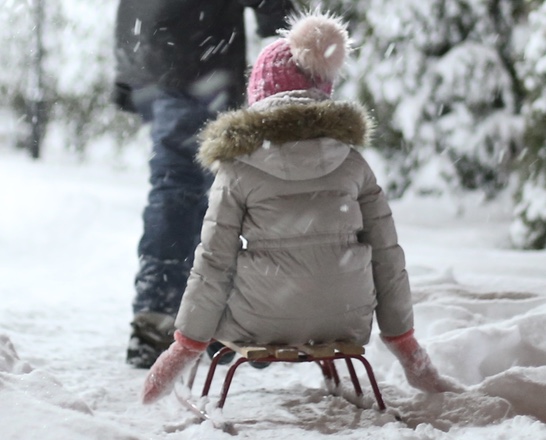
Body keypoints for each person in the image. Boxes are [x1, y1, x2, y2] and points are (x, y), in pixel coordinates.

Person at [141, 11, 463, 404]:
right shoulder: (352, 162)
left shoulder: (237, 169)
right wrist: (405, 345)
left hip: (259, 323)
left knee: (227, 269)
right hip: (345, 320)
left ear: (259, 94)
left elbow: (214, 261)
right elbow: (388, 258)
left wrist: (186, 346)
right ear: (323, 88)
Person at [112, 0, 295, 368]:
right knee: (218, 190)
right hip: (208, 57)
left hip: (159, 60)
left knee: (177, 184)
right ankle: (208, 320)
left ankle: (163, 314)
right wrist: (286, 31)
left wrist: (128, 71)